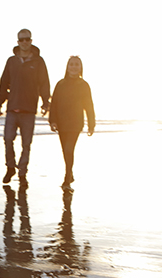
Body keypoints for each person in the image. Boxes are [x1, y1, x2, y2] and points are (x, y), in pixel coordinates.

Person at [0, 28, 50, 187]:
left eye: (27, 39)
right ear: (18, 42)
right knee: (7, 139)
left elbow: (44, 83)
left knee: (26, 144)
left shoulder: (38, 62)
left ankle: (22, 173)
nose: (25, 42)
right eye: (21, 40)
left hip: (29, 110)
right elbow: (4, 82)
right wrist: (0, 102)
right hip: (12, 108)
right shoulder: (11, 61)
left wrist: (45, 102)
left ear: (31, 41)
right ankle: (10, 167)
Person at [48, 56, 95, 192]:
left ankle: (67, 178)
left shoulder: (83, 85)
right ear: (67, 67)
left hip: (75, 123)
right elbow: (54, 103)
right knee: (65, 151)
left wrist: (91, 124)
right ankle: (70, 173)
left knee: (69, 149)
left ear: (80, 68)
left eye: (76, 65)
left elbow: (89, 106)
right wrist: (53, 121)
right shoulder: (60, 84)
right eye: (71, 64)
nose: (74, 67)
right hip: (62, 123)